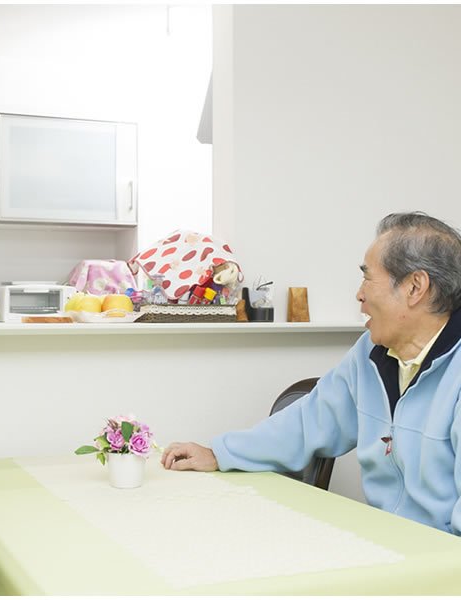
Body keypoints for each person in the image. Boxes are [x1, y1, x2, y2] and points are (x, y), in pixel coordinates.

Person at [162, 212, 461, 535]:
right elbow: (307, 423)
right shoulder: (370, 354)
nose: (359, 294)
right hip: (385, 542)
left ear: (415, 287)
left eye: (367, 278)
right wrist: (219, 453)